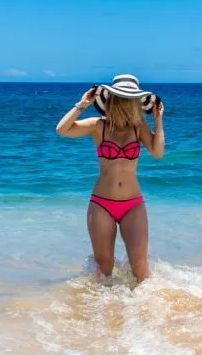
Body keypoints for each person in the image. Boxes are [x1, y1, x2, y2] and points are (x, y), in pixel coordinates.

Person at [55, 74, 164, 283]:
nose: (125, 102)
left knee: (140, 267)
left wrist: (158, 121)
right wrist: (82, 104)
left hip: (133, 204)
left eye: (129, 98)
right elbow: (62, 130)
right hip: (101, 204)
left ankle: (143, 311)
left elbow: (157, 152)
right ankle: (104, 309)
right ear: (113, 99)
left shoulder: (139, 127)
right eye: (121, 97)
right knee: (104, 266)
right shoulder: (99, 125)